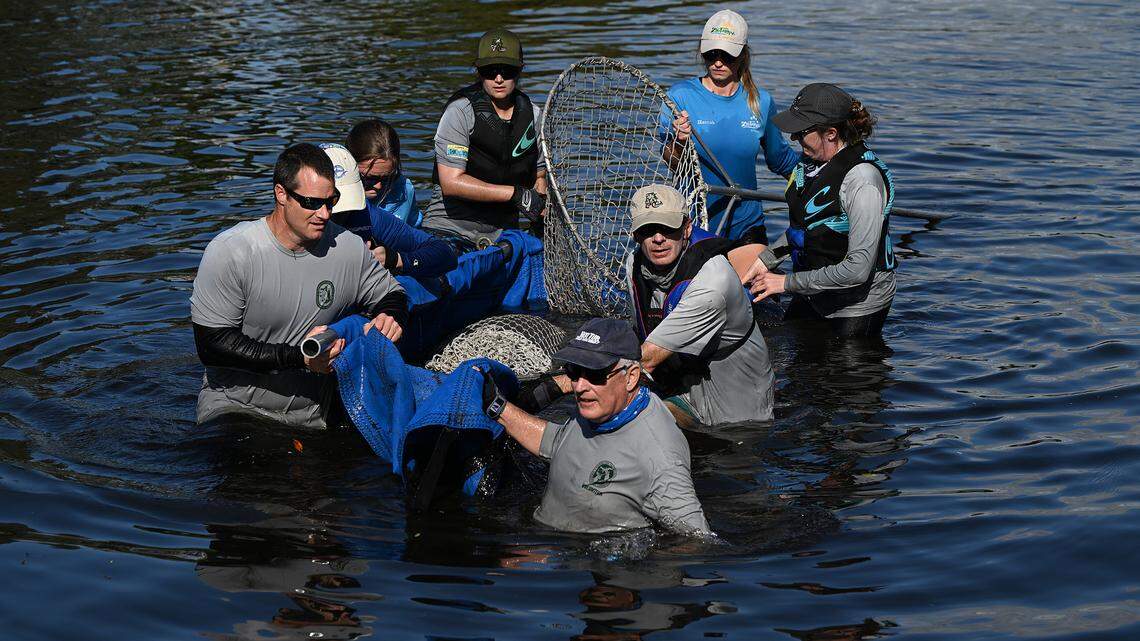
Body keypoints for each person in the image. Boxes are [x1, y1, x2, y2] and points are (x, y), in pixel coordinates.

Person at [190, 143, 408, 429]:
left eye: (331, 201)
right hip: (236, 409)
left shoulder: (347, 247)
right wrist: (300, 359)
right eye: (312, 203)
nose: (324, 214)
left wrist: (390, 317)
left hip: (311, 419)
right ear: (281, 194)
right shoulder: (232, 251)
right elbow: (212, 347)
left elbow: (393, 295)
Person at [478, 318, 710, 535]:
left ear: (631, 377)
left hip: (591, 564)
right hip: (550, 552)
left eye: (595, 374)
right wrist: (499, 408)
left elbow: (697, 541)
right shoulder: (598, 409)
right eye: (574, 372)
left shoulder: (659, 456)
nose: (579, 386)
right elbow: (558, 443)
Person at [742, 83, 896, 338]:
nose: (794, 139)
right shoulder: (810, 163)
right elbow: (805, 229)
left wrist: (785, 283)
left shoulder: (863, 181)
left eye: (801, 132)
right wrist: (765, 261)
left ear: (831, 133)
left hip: (856, 305)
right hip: (815, 289)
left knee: (835, 375)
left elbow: (858, 269)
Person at [624, 184, 774, 425]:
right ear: (636, 235)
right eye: (648, 229)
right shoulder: (635, 263)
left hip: (737, 420)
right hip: (682, 394)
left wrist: (567, 383)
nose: (659, 238)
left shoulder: (713, 280)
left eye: (668, 227)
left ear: (687, 228)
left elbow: (646, 359)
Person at [663, 9, 799, 242]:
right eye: (711, 53)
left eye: (727, 55)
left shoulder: (761, 102)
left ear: (743, 55)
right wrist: (678, 142)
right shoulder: (680, 97)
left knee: (759, 278)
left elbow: (780, 160)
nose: (717, 62)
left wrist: (826, 178)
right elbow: (672, 162)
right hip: (695, 223)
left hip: (747, 224)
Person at [420, 27, 547, 251]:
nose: (499, 79)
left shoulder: (533, 116)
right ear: (479, 72)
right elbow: (451, 183)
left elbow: (539, 177)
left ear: (520, 71)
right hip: (450, 228)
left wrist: (541, 211)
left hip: (503, 235)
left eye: (507, 71)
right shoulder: (460, 111)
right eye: (490, 71)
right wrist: (515, 194)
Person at [319, 142, 456, 280]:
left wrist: (394, 259)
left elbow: (444, 253)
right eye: (316, 202)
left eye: (340, 202)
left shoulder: (366, 215)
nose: (325, 214)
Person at [344, 119, 421, 227]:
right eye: (370, 178)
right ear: (349, 164)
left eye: (388, 178)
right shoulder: (329, 191)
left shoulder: (403, 189)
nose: (378, 186)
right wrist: (355, 198)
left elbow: (412, 234)